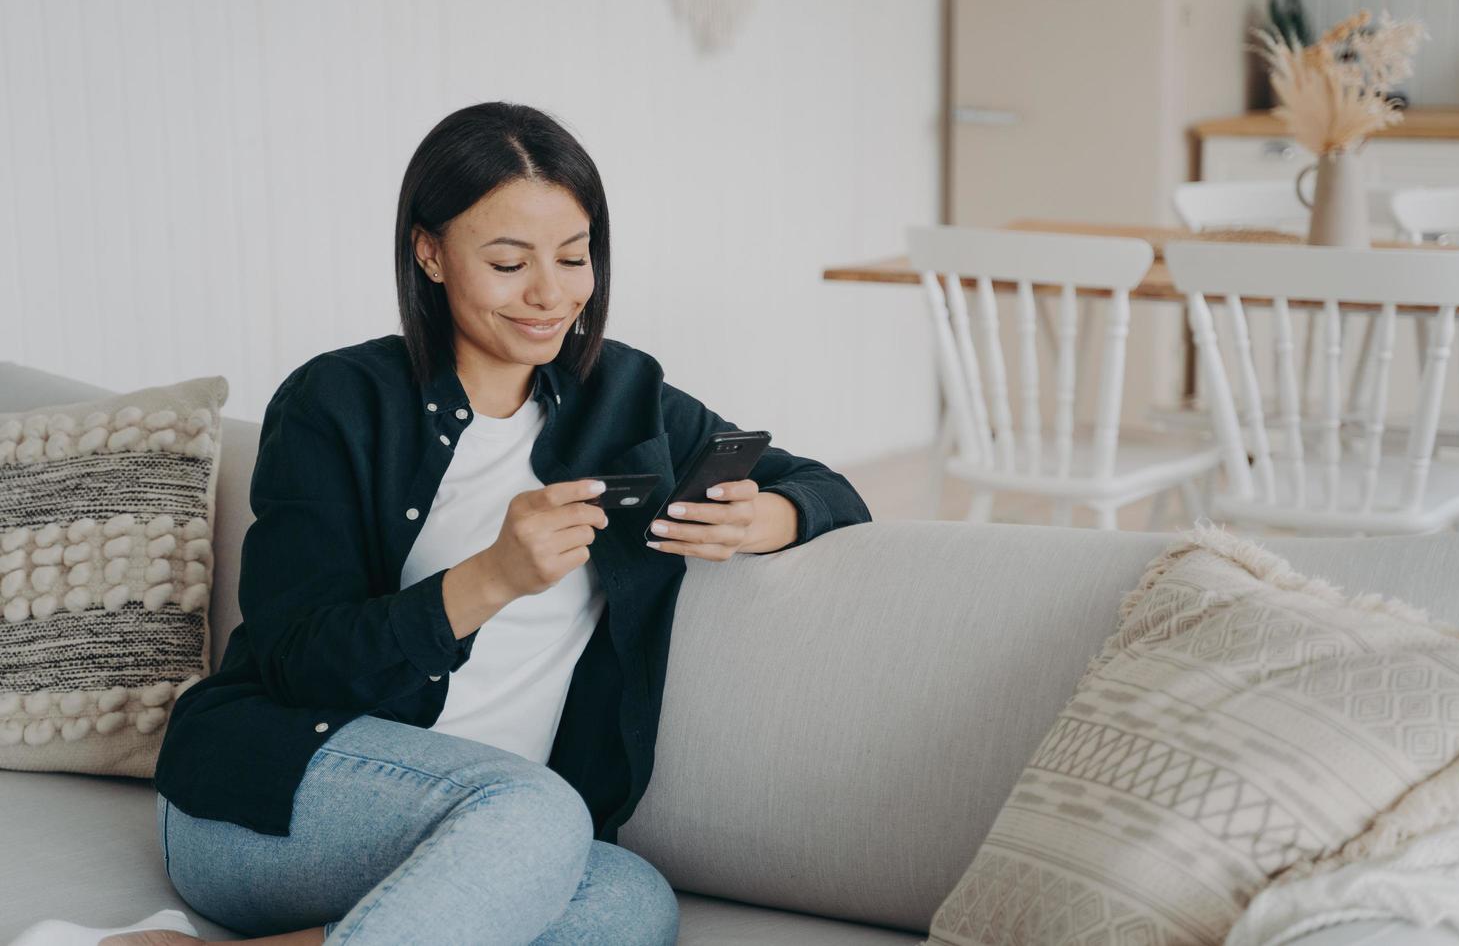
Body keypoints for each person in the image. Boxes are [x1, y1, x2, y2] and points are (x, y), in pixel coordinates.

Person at [16, 101, 871, 946]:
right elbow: (292, 656)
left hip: (493, 835)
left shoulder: (627, 397)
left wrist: (771, 515)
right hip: (269, 797)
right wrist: (490, 579)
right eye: (508, 262)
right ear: (430, 252)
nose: (551, 294)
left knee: (628, 905)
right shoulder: (336, 402)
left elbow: (822, 485)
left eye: (575, 258)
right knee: (536, 811)